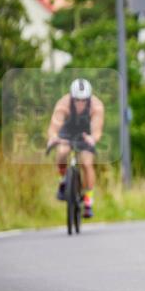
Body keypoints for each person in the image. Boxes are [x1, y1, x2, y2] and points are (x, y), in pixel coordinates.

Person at [46, 78, 104, 218]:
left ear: (89, 98)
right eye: (77, 100)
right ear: (71, 97)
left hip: (85, 133)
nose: (80, 103)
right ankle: (63, 180)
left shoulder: (96, 106)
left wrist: (92, 138)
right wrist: (53, 137)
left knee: (86, 162)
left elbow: (97, 131)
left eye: (84, 100)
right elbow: (54, 127)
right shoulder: (63, 104)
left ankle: (88, 200)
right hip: (68, 130)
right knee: (62, 151)